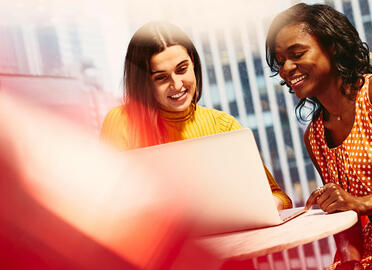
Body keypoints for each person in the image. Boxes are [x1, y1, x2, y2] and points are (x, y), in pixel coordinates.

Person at [100, 21, 292, 211]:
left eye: (182, 69)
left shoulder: (222, 125)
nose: (176, 85)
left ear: (193, 63)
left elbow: (278, 196)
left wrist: (265, 206)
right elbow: (109, 204)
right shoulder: (120, 121)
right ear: (144, 83)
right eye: (161, 78)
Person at [266, 3, 372, 270]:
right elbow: (344, 216)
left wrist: (361, 203)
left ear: (334, 46)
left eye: (297, 54)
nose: (286, 68)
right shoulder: (314, 136)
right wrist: (351, 261)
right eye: (280, 61)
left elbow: (355, 205)